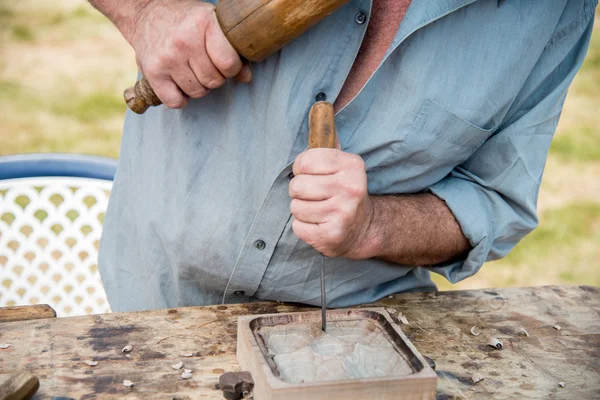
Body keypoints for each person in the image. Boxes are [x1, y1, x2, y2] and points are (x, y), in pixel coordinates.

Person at [91, 0, 597, 312]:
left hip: (359, 333)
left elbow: (492, 202)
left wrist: (372, 225)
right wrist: (146, 11)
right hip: (153, 304)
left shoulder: (557, 11)